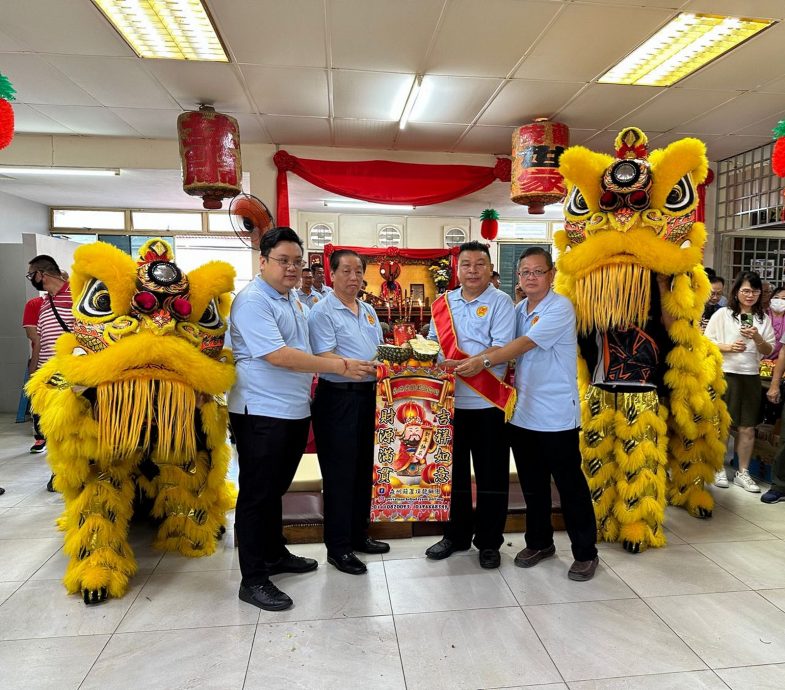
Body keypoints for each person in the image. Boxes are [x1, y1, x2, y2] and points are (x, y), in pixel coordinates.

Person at [228, 227, 376, 611]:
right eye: (283, 260)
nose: (291, 268)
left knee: (275, 489)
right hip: (261, 410)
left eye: (296, 261)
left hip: (293, 410)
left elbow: (303, 349)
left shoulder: (292, 299)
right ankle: (253, 578)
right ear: (263, 262)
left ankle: (274, 554)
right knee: (257, 494)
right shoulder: (252, 300)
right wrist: (340, 365)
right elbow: (277, 355)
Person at [456, 248, 598, 581]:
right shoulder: (518, 308)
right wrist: (468, 358)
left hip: (555, 415)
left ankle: (585, 552)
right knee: (533, 486)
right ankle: (539, 542)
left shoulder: (560, 308)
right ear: (516, 277)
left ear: (551, 274)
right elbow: (500, 342)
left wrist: (482, 361)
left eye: (538, 271)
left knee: (569, 485)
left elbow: (521, 346)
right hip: (521, 414)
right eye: (525, 272)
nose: (531, 278)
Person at [424, 241, 516, 569]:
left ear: (490, 269)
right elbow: (432, 347)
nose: (473, 270)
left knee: (491, 476)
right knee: (452, 474)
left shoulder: (501, 302)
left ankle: (489, 542)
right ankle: (456, 535)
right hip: (448, 404)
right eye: (466, 264)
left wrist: (474, 364)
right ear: (457, 269)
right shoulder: (442, 304)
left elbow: (502, 347)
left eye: (479, 264)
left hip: (488, 402)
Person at [309, 249, 389, 575]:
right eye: (346, 271)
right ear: (332, 274)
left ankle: (360, 534)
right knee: (340, 476)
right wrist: (352, 367)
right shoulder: (322, 312)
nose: (353, 278)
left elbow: (380, 351)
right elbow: (325, 355)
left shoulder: (368, 310)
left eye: (358, 272)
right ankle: (338, 548)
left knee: (362, 471)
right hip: (338, 399)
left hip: (369, 397)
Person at [705, 271, 774, 492]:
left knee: (748, 427)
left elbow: (769, 350)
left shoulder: (763, 319)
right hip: (726, 373)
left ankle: (743, 472)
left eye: (755, 291)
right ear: (736, 292)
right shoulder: (722, 314)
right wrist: (728, 347)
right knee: (723, 425)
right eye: (745, 290)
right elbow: (706, 343)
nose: (750, 295)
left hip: (751, 375)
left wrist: (756, 336)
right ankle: (718, 468)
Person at [26, 255, 74, 493]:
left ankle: (71, 472)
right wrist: (35, 371)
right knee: (52, 429)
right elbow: (40, 341)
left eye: (31, 274)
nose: (31, 279)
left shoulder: (75, 295)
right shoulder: (46, 302)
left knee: (68, 426)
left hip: (68, 374)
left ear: (42, 274)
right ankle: (58, 471)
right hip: (47, 377)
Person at [766, 285, 785, 360]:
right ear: (770, 299)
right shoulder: (762, 316)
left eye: (784, 299)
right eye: (776, 297)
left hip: (778, 363)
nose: (779, 301)